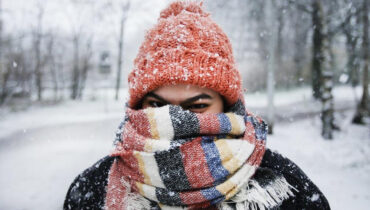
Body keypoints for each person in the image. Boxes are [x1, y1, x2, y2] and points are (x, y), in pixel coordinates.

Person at [64, 2, 330, 209]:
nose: (174, 119)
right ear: (138, 106)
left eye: (198, 105)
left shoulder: (285, 187)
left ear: (227, 106)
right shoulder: (92, 189)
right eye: (157, 104)